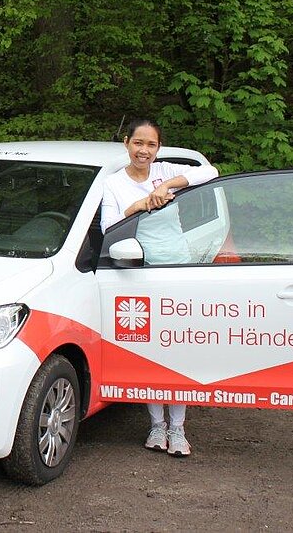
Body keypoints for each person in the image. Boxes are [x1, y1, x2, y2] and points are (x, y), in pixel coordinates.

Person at [100, 118, 218, 458]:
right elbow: (109, 226)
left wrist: (166, 186)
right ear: (127, 143)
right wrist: (139, 205)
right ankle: (156, 424)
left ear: (158, 148)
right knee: (152, 351)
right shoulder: (112, 183)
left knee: (177, 348)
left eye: (151, 145)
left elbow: (210, 172)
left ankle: (178, 428)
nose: (144, 150)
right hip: (141, 269)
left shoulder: (165, 171)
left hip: (178, 267)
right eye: (138, 143)